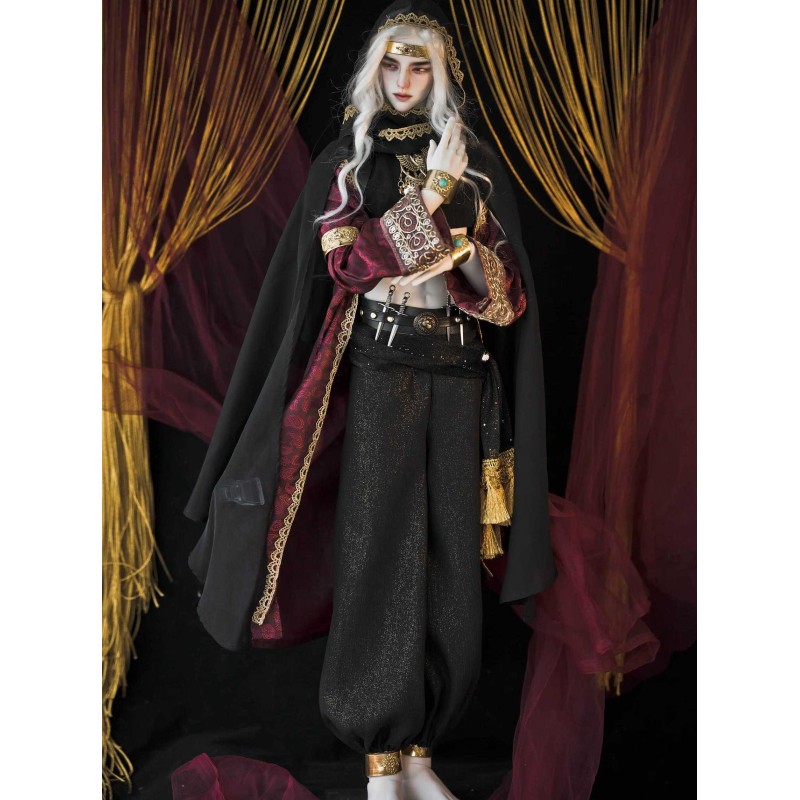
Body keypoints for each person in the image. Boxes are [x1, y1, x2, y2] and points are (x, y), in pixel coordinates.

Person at [183, 2, 556, 798]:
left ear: (441, 75)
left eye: (420, 65)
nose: (405, 79)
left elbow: (505, 298)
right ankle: (380, 760)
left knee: (450, 560)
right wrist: (434, 202)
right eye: (392, 63)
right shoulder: (347, 166)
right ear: (372, 70)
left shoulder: (476, 166)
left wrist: (464, 237)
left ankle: (421, 754)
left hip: (459, 377)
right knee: (377, 553)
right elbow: (353, 268)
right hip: (384, 379)